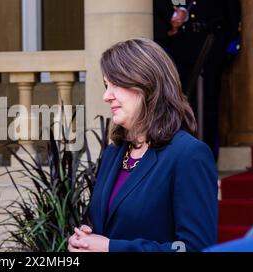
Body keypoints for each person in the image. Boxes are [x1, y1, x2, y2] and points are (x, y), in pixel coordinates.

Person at [68, 38, 218, 252]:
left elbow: (194, 248)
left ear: (148, 85)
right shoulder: (114, 153)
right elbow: (109, 226)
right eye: (106, 85)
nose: (106, 96)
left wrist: (111, 248)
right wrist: (84, 242)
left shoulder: (189, 155)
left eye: (116, 84)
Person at [153, 0, 241, 161]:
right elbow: (161, 4)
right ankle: (183, 158)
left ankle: (208, 157)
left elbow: (231, 11)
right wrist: (171, 15)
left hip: (211, 42)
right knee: (179, 104)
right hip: (179, 46)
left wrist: (233, 40)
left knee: (209, 104)